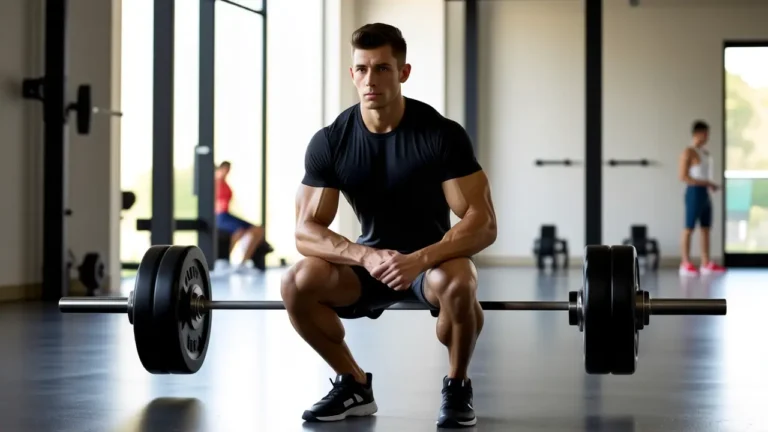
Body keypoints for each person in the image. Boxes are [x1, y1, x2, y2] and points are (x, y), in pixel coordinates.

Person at [280, 23, 497, 429]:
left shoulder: (440, 135)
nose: (370, 80)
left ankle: (457, 383)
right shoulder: (331, 141)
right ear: (352, 74)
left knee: (460, 281)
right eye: (361, 69)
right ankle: (354, 384)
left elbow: (482, 223)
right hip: (371, 264)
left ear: (403, 72)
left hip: (431, 266)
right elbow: (304, 231)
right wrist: (366, 255)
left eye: (381, 68)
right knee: (297, 281)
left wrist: (419, 259)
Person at [678, 121, 725, 276]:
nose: (706, 137)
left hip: (705, 192)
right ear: (697, 133)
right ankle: (685, 263)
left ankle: (705, 263)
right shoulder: (688, 152)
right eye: (704, 134)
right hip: (694, 192)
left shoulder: (705, 153)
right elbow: (683, 176)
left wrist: (710, 185)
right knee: (689, 227)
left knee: (705, 227)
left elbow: (703, 175)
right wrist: (706, 183)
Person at [215, 161, 266, 271]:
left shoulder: (224, 183)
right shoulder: (215, 182)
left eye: (228, 169)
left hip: (226, 214)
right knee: (239, 231)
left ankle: (243, 263)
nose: (227, 171)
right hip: (220, 216)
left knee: (258, 230)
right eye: (225, 168)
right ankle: (225, 260)